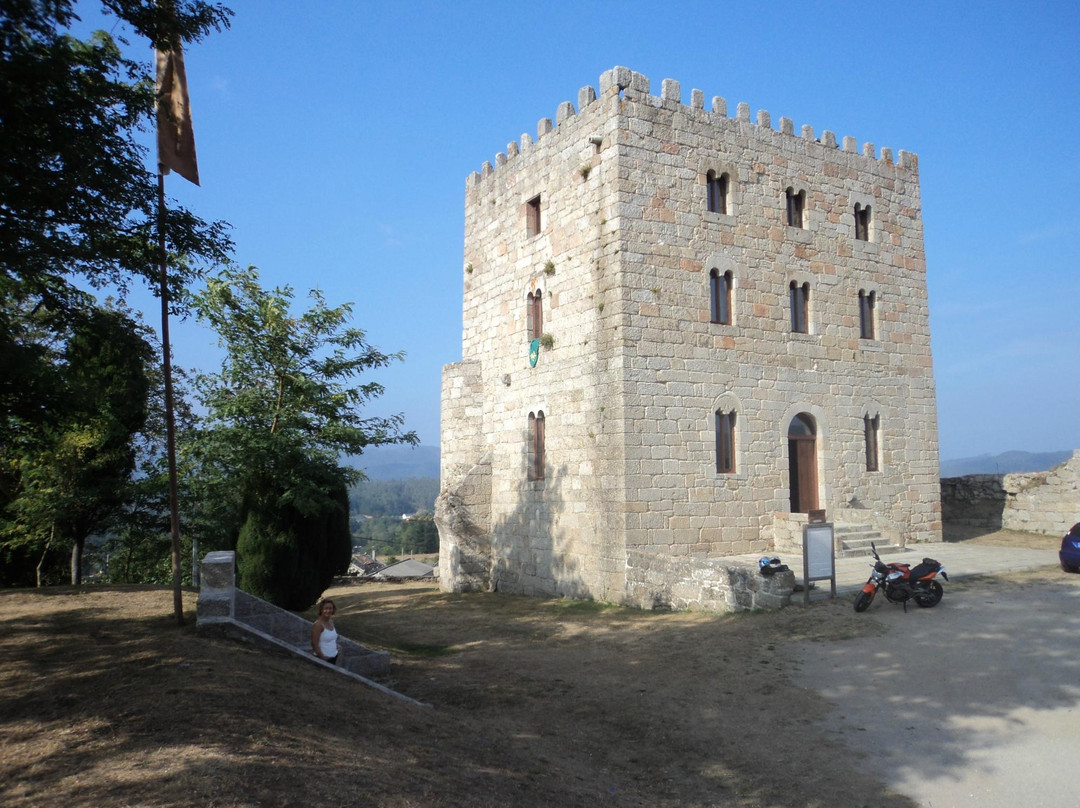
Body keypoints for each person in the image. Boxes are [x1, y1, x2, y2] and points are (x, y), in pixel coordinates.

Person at [311, 598, 340, 664]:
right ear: (321, 610)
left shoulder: (331, 622)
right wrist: (322, 657)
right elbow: (314, 644)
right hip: (323, 660)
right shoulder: (318, 625)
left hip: (334, 657)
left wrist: (337, 647)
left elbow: (331, 638)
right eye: (326, 608)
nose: (328, 610)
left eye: (330, 608)